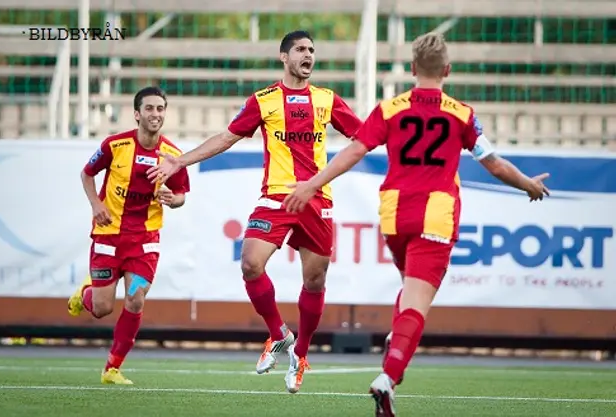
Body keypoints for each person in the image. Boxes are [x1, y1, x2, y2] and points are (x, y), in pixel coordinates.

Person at [282, 32, 550, 416]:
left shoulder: (389, 109)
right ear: (447, 70)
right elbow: (493, 163)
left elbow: (354, 150)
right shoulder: (461, 113)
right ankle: (388, 377)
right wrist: (527, 184)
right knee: (418, 305)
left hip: (394, 214)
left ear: (411, 69)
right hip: (436, 214)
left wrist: (312, 184)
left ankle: (397, 337)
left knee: (410, 290)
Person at [146, 30, 363, 393]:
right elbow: (226, 138)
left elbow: (364, 138)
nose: (308, 55)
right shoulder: (264, 100)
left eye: (312, 50)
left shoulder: (327, 99)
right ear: (284, 57)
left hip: (316, 199)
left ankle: (301, 356)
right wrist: (179, 161)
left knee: (315, 280)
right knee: (250, 263)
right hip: (276, 197)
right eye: (301, 50)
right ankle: (279, 334)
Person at [67, 86, 191, 385]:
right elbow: (86, 173)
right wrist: (96, 204)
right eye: (149, 108)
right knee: (102, 308)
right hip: (109, 236)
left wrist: (174, 200)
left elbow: (182, 194)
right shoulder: (115, 145)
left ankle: (112, 368)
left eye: (160, 109)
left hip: (144, 241)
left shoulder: (173, 156)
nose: (155, 114)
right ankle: (85, 294)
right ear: (137, 114)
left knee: (135, 299)